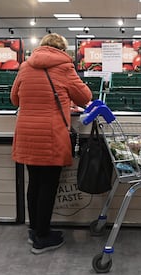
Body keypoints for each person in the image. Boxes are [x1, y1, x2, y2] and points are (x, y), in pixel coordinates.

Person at [10, 33, 92, 254]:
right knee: (48, 185)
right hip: (51, 134)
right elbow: (85, 97)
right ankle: (43, 238)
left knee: (34, 183)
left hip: (26, 133)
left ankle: (35, 229)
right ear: (63, 50)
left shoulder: (25, 66)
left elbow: (14, 99)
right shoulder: (65, 67)